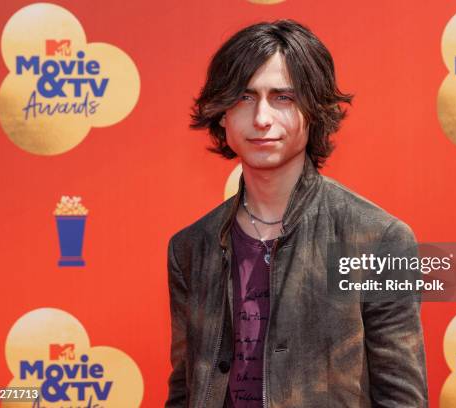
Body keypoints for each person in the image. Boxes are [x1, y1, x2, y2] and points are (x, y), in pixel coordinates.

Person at [166, 20, 428, 407]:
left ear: (314, 109)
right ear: (221, 114)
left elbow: (402, 398)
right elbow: (185, 390)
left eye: (283, 97)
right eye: (244, 97)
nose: (262, 118)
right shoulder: (191, 248)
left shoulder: (378, 239)